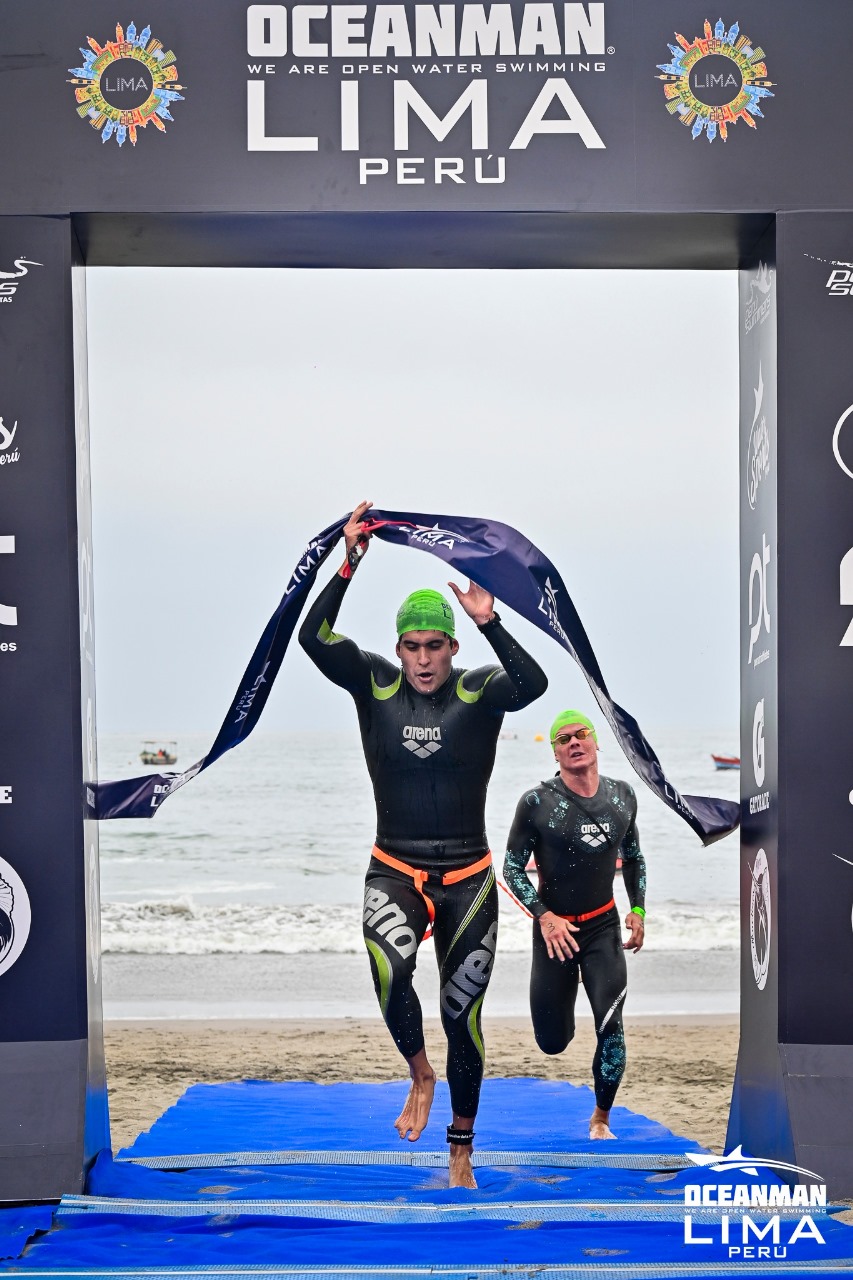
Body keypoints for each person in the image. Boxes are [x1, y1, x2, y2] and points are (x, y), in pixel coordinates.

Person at [299, 500, 548, 1188]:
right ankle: (417, 1071)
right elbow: (313, 638)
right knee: (387, 969)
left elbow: (535, 685)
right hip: (395, 867)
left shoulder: (478, 691)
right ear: (398, 646)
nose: (421, 659)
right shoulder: (374, 682)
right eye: (411, 645)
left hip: (467, 877)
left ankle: (461, 1150)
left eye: (433, 645)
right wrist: (348, 563)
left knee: (460, 1013)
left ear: (451, 647)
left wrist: (489, 620)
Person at [502, 709, 646, 1139]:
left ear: (596, 741)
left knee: (612, 1025)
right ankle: (563, 1016)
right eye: (562, 739)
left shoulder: (623, 796)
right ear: (556, 752)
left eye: (581, 734)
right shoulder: (536, 802)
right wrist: (545, 918)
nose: (574, 742)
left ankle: (601, 1118)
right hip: (554, 935)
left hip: (603, 927)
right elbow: (510, 868)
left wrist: (637, 910)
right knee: (551, 1041)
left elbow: (634, 857)